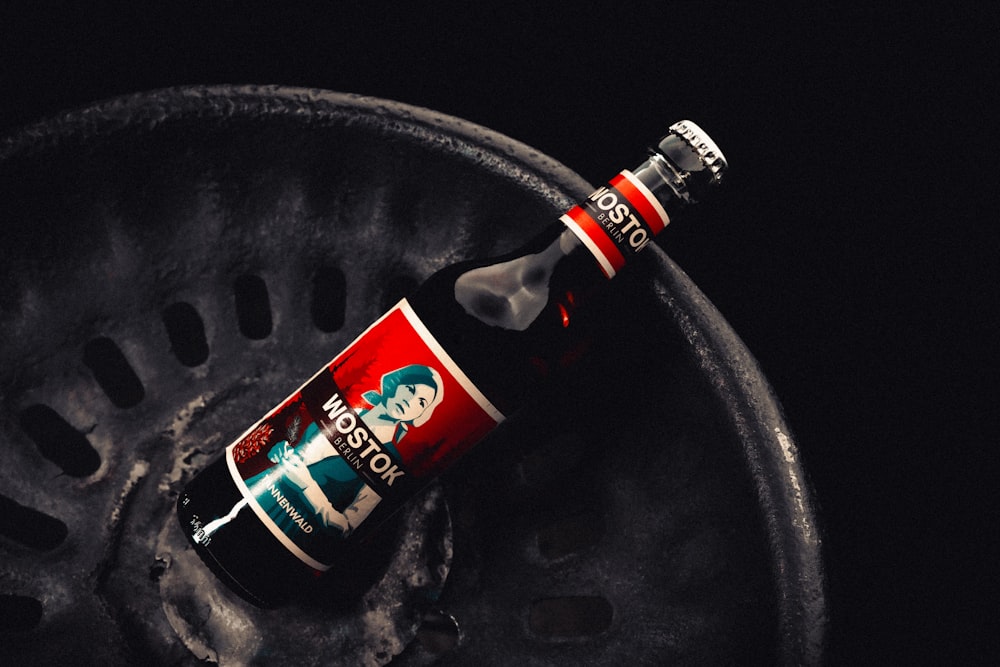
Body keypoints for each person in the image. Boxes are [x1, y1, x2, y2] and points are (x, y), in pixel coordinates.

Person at [246, 365, 443, 550]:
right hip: (257, 491)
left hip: (293, 532)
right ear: (396, 383)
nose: (410, 401)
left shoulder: (391, 462)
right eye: (409, 389)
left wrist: (307, 487)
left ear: (421, 414)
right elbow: (297, 445)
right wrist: (280, 451)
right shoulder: (346, 405)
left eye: (421, 402)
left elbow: (347, 528)